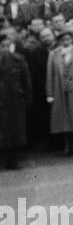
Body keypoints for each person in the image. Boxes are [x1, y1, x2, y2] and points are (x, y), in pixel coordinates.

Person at [46, 29, 73, 155]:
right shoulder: (53, 54)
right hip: (59, 89)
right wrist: (50, 94)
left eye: (68, 39)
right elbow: (50, 74)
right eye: (63, 39)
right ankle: (65, 145)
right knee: (62, 117)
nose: (66, 41)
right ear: (60, 41)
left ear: (72, 40)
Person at [0, 24, 32, 169]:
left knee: (14, 131)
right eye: (3, 45)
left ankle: (13, 160)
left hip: (14, 100)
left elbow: (26, 81)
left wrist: (27, 97)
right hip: (3, 101)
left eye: (8, 44)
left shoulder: (19, 59)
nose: (5, 47)